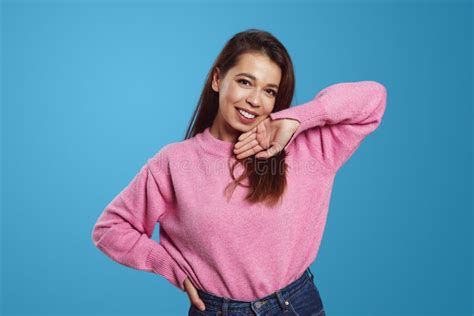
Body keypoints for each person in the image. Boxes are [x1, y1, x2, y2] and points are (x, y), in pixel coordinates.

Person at [91, 29, 387, 316]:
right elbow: (111, 228)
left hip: (295, 306)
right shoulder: (174, 163)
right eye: (245, 82)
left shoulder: (306, 149)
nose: (255, 101)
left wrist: (296, 120)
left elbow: (373, 98)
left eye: (269, 91)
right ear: (218, 79)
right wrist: (169, 267)